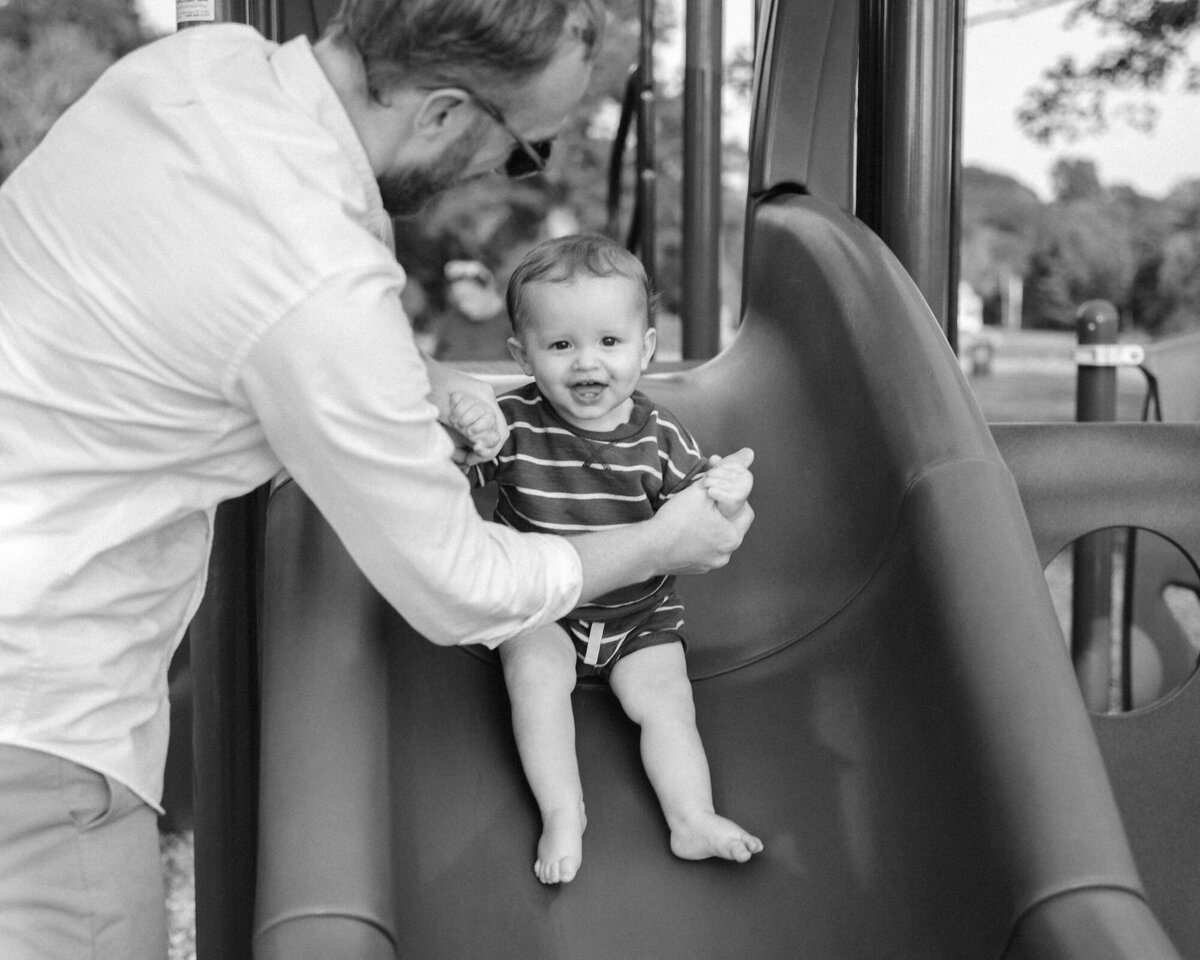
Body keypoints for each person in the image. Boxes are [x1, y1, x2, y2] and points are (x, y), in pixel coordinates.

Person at [0, 3, 754, 957]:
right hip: (33, 711)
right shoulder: (315, 273)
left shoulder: (195, 73)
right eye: (524, 147)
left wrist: (417, 380)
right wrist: (662, 543)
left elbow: (203, 309)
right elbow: (461, 587)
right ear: (442, 113)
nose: (507, 172)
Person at [449, 234, 763, 884]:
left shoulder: (663, 437)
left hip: (640, 617)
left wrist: (727, 492)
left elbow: (700, 512)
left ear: (645, 348)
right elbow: (448, 487)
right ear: (522, 353)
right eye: (561, 344)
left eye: (610, 343)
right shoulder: (510, 424)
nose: (587, 363)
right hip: (547, 611)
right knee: (535, 681)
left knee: (667, 703)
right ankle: (564, 813)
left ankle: (692, 818)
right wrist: (460, 448)